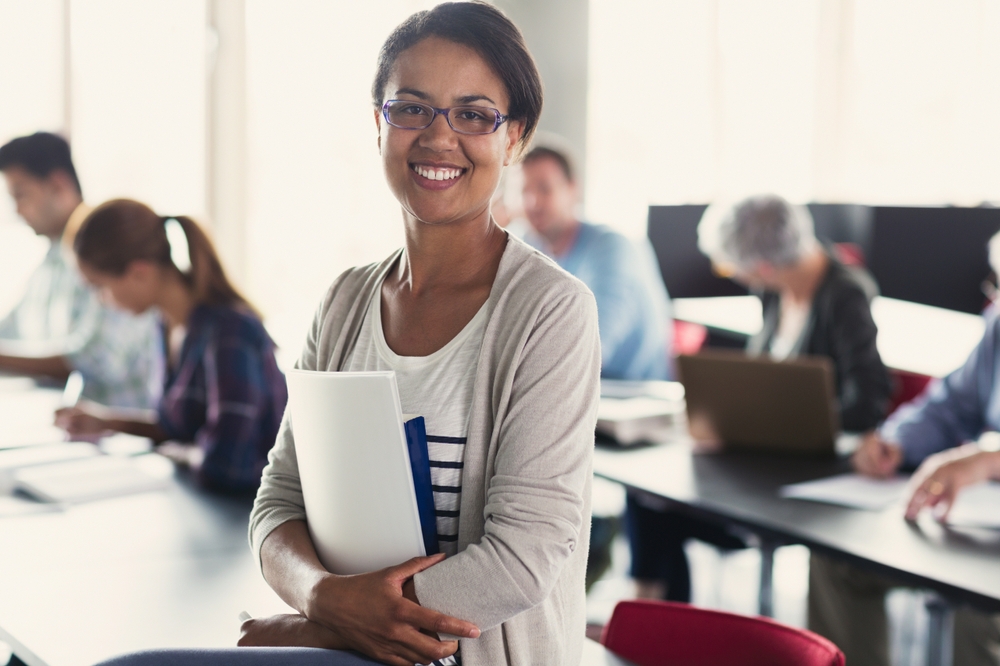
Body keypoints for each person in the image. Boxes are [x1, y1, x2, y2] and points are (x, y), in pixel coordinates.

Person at [237, 4, 599, 666]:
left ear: (514, 138)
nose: (438, 137)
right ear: (378, 123)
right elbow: (278, 501)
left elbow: (519, 563)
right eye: (412, 109)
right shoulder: (344, 301)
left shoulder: (551, 311)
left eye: (474, 114)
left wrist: (313, 626)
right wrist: (322, 598)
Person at [627, 194, 893, 602]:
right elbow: (763, 381)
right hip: (759, 460)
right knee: (649, 498)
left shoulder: (845, 295)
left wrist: (784, 426)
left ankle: (652, 616)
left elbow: (867, 403)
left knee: (664, 507)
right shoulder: (775, 291)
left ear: (763, 266)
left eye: (733, 267)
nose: (734, 276)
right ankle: (650, 620)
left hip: (807, 475)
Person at [809, 250, 1000, 666]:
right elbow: (949, 406)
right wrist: (896, 442)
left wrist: (987, 458)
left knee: (981, 609)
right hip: (974, 518)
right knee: (839, 559)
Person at [54, 199, 287, 494]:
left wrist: (179, 451)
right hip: (204, 500)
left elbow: (227, 465)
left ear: (140, 272)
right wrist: (105, 420)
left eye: (100, 287)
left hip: (250, 511)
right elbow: (179, 427)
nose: (101, 300)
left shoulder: (230, 332)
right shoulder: (165, 325)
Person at [0, 132, 159, 408]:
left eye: (21, 195)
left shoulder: (109, 245)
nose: (17, 210)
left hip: (123, 433)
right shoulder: (51, 261)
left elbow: (97, 357)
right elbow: (12, 330)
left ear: (58, 185)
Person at [520, 144, 673, 381]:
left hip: (632, 391)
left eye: (544, 189)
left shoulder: (611, 248)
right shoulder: (527, 244)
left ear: (573, 190)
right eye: (524, 191)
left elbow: (594, 347)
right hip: (578, 385)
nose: (533, 202)